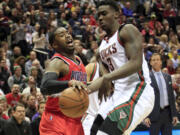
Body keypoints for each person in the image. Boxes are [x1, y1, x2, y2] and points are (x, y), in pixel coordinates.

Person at [87, 1, 155, 135]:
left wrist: (108, 77)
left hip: (138, 90)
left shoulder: (127, 30)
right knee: (94, 130)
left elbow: (136, 63)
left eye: (104, 14)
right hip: (117, 95)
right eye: (98, 15)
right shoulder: (101, 47)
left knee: (105, 133)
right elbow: (104, 79)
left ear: (117, 14)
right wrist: (85, 89)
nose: (100, 18)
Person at [39, 27, 87, 135]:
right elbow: (45, 86)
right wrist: (68, 83)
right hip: (55, 120)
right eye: (61, 35)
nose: (67, 35)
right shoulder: (57, 62)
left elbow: (83, 86)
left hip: (75, 121)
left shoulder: (78, 60)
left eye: (67, 33)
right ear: (54, 45)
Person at [144, 53, 178, 135]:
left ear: (161, 62)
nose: (156, 62)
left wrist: (174, 114)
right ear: (150, 63)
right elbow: (145, 98)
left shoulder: (168, 77)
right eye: (153, 60)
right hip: (153, 115)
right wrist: (145, 116)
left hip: (167, 114)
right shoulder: (146, 78)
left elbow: (171, 97)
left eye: (157, 59)